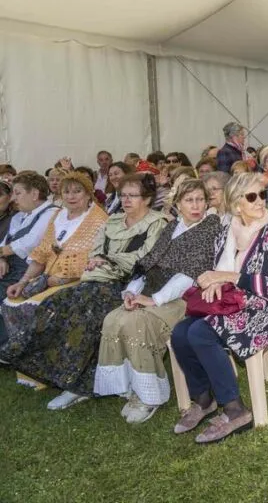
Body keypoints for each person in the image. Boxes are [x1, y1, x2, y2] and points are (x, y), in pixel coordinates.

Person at [10, 174, 168, 410]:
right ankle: (59, 371)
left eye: (132, 196)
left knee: (83, 309)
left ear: (146, 199)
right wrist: (96, 260)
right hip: (99, 279)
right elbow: (95, 251)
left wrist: (105, 259)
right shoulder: (113, 221)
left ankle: (76, 383)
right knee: (57, 303)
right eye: (123, 195)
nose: (126, 200)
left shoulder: (158, 223)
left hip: (132, 284)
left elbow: (146, 258)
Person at [170, 173, 268, 443]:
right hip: (233, 301)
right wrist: (213, 280)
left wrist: (227, 278)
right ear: (237, 204)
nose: (261, 201)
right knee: (180, 333)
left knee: (200, 333)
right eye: (252, 196)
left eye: (262, 194)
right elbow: (217, 270)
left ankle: (235, 409)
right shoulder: (227, 230)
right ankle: (204, 399)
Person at [92, 179, 219, 422]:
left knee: (137, 324)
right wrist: (131, 292)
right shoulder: (172, 228)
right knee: (113, 319)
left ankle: (149, 396)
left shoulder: (210, 226)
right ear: (178, 204)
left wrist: (154, 300)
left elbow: (190, 273)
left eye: (200, 199)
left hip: (185, 298)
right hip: (153, 291)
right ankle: (132, 387)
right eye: (189, 200)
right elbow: (148, 262)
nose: (196, 205)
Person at [0, 172, 108, 374]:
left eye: (77, 191)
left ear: (88, 194)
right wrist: (23, 281)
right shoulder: (59, 216)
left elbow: (96, 259)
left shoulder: (98, 219)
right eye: (66, 191)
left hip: (81, 281)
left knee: (40, 308)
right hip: (48, 277)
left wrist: (64, 277)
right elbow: (41, 253)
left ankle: (54, 368)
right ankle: (27, 362)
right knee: (12, 301)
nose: (71, 196)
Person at [0, 173, 58, 305]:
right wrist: (1, 258)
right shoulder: (20, 216)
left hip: (25, 275)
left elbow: (29, 243)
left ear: (34, 194)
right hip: (8, 271)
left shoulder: (51, 213)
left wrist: (2, 252)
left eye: (17, 193)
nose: (13, 199)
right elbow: (5, 242)